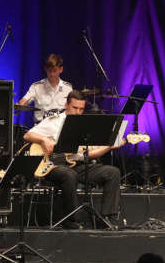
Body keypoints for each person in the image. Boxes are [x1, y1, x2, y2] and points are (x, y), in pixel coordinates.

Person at [22, 89, 125, 228]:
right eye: (74, 108)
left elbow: (90, 154)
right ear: (66, 105)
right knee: (69, 175)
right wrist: (43, 140)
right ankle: (72, 219)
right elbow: (27, 136)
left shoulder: (85, 125)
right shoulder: (54, 121)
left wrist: (110, 147)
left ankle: (107, 218)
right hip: (53, 165)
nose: (77, 112)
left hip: (75, 163)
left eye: (81, 109)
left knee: (113, 172)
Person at [18, 54, 73, 124]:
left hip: (60, 127)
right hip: (41, 127)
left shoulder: (68, 88)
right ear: (45, 69)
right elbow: (23, 101)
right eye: (50, 71)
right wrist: (18, 105)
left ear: (61, 69)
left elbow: (72, 109)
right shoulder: (36, 87)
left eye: (55, 70)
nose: (52, 74)